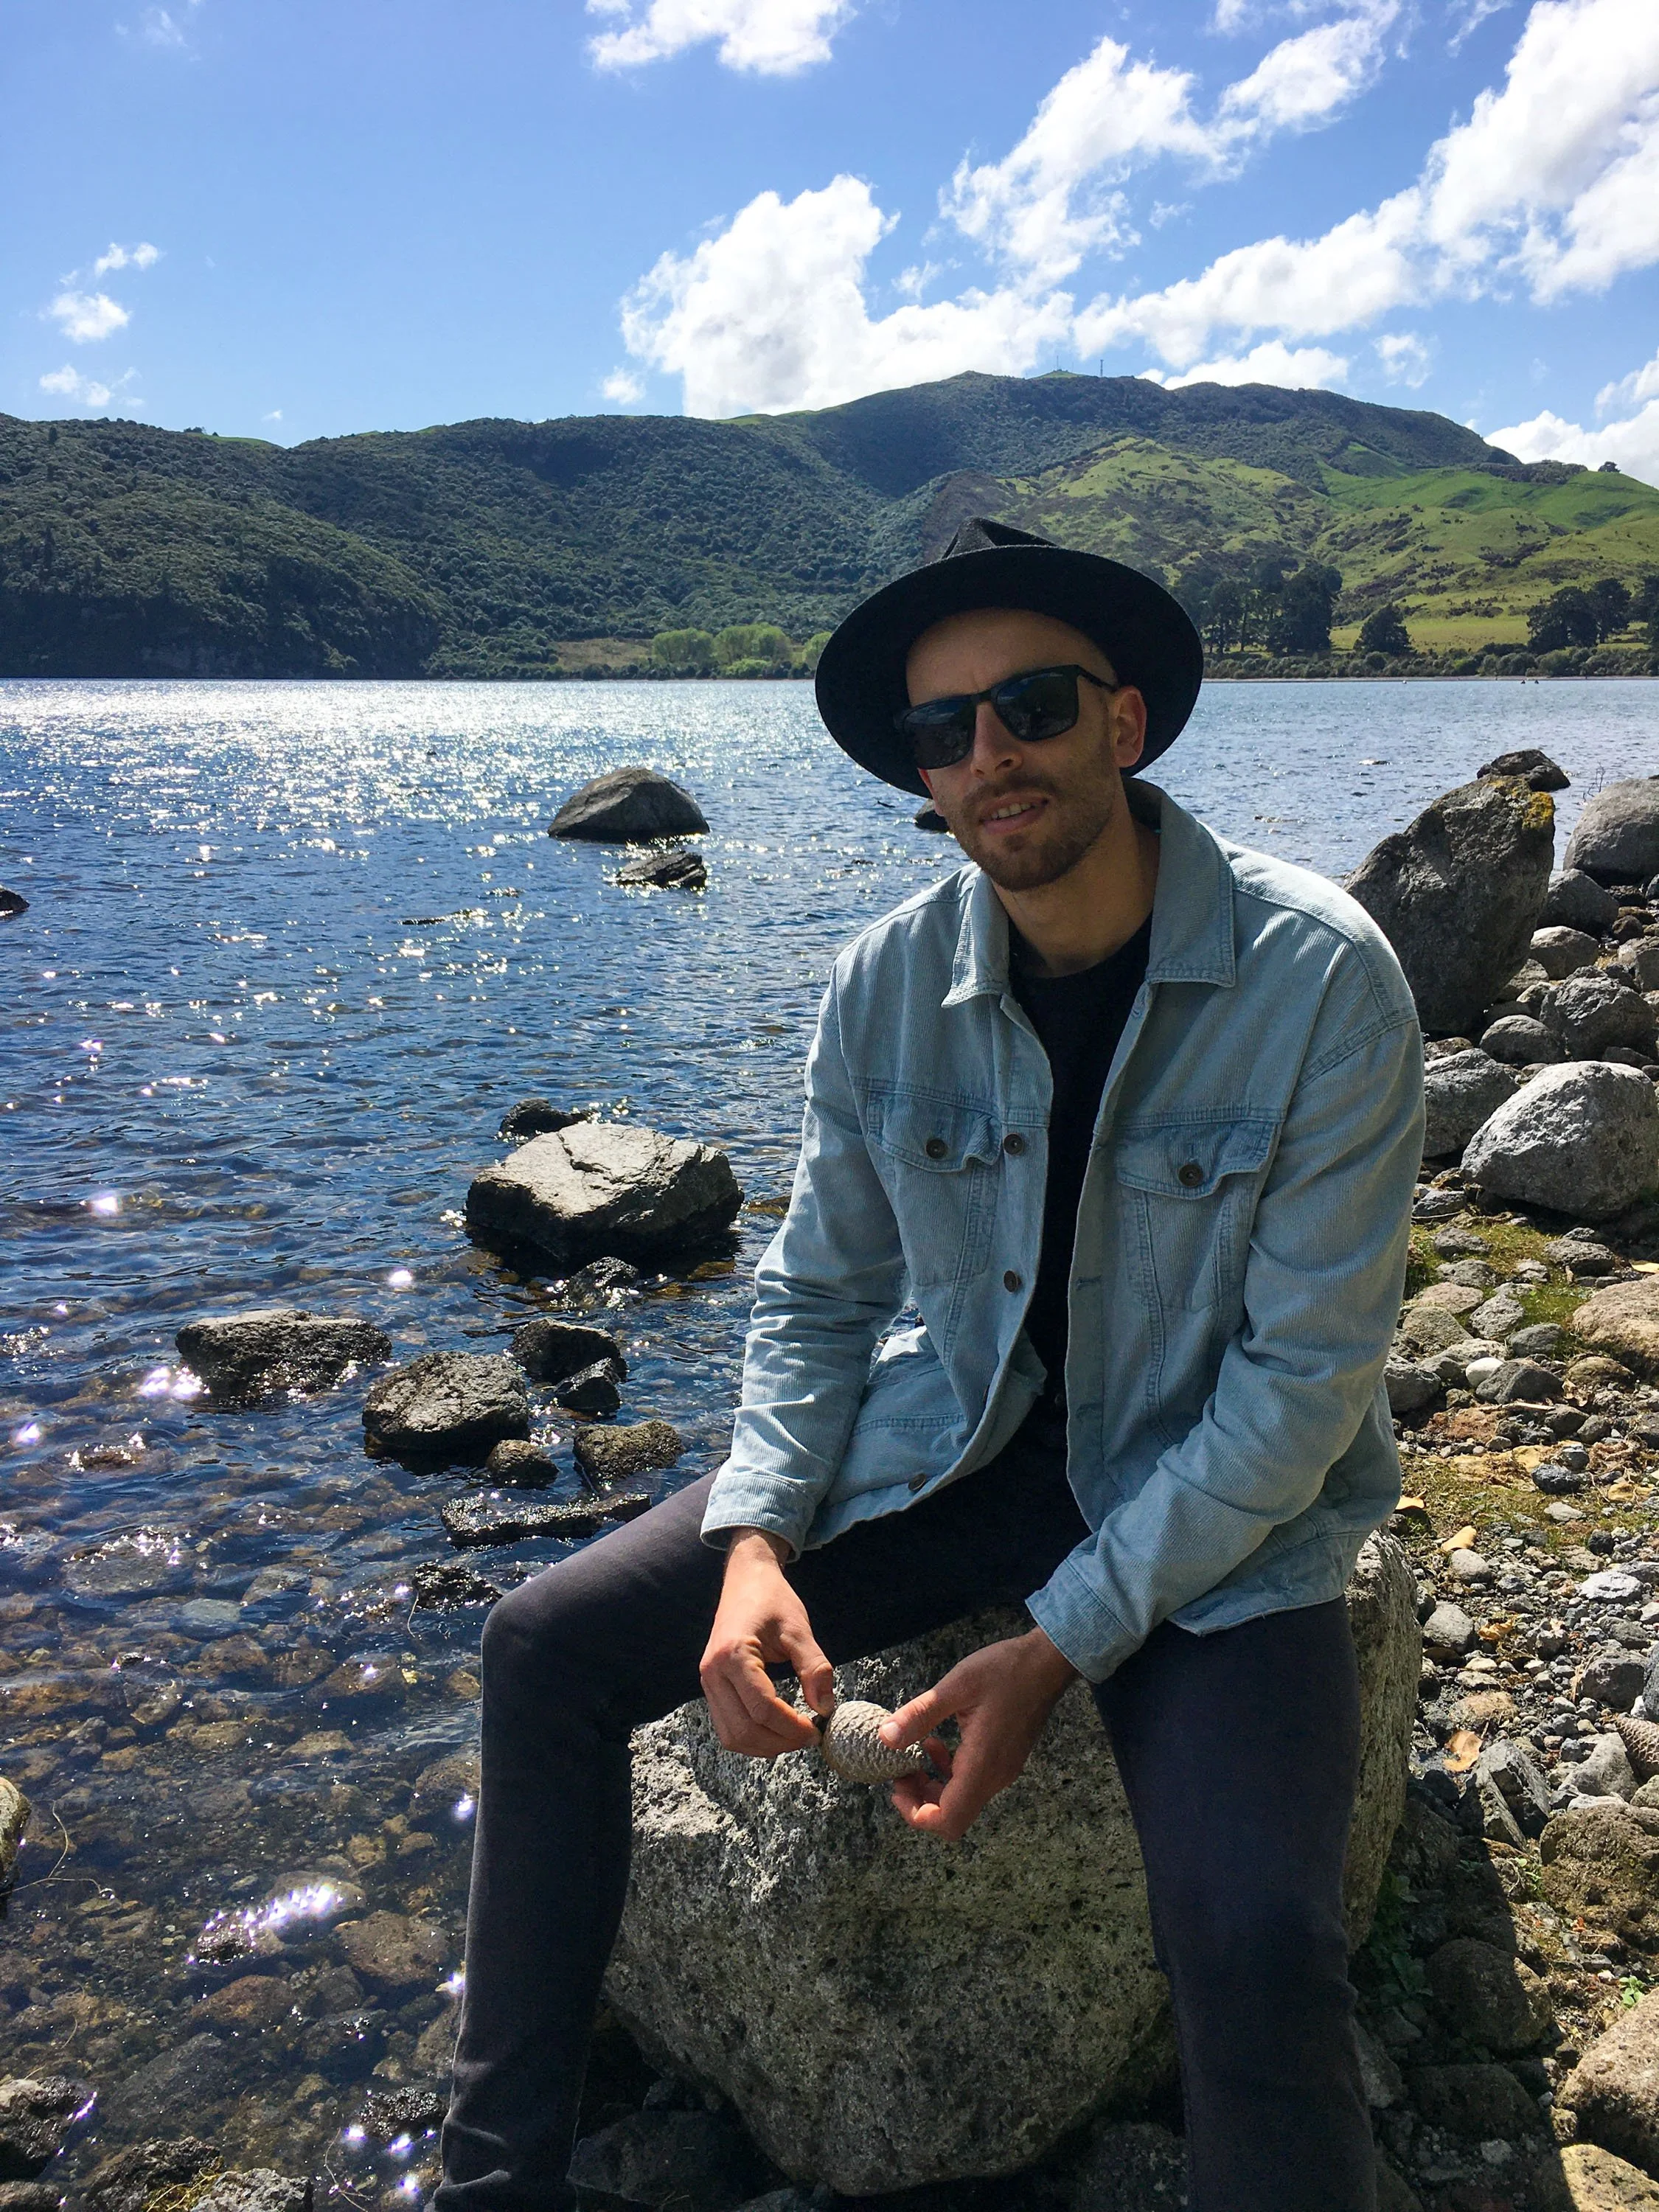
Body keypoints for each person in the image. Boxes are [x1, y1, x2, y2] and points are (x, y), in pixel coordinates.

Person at [437, 518, 1425, 2212]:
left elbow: (1300, 1388)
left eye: (1030, 707)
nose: (988, 758)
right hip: (960, 1451)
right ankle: (491, 2183)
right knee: (544, 1647)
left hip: (1221, 1508)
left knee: (1263, 1944)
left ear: (1124, 723)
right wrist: (753, 1545)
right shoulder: (885, 984)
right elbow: (821, 1296)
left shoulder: (1320, 977)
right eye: (942, 730)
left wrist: (1057, 1652)